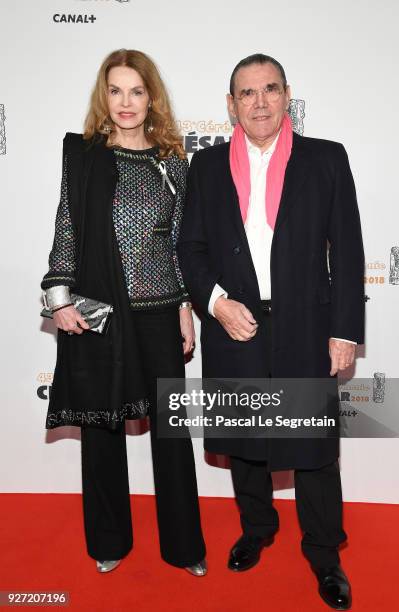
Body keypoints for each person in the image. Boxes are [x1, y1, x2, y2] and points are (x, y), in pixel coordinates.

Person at [178, 53, 364, 609]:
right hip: (236, 322)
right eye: (247, 92)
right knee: (246, 441)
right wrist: (214, 303)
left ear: (287, 96)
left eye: (270, 89)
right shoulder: (206, 168)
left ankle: (325, 552)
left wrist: (345, 329)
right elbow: (190, 247)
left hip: (307, 324)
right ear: (230, 105)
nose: (259, 101)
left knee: (311, 447)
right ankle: (257, 529)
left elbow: (349, 252)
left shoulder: (326, 159)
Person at [41, 49, 206, 576]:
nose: (126, 102)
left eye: (136, 91)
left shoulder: (172, 162)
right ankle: (108, 540)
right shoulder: (84, 156)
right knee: (101, 429)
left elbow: (181, 244)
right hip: (97, 307)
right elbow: (68, 228)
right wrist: (59, 299)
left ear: (151, 96)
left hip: (160, 308)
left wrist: (185, 308)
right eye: (116, 91)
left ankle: (184, 547)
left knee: (172, 432)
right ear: (103, 95)